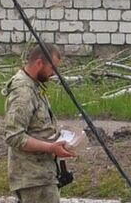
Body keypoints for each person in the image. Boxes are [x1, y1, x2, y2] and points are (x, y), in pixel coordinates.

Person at [4, 44, 77, 203]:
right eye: (52, 68)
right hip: (33, 178)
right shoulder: (23, 91)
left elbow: (38, 128)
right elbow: (14, 136)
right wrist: (51, 147)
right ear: (39, 63)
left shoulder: (34, 86)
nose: (53, 73)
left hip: (43, 174)